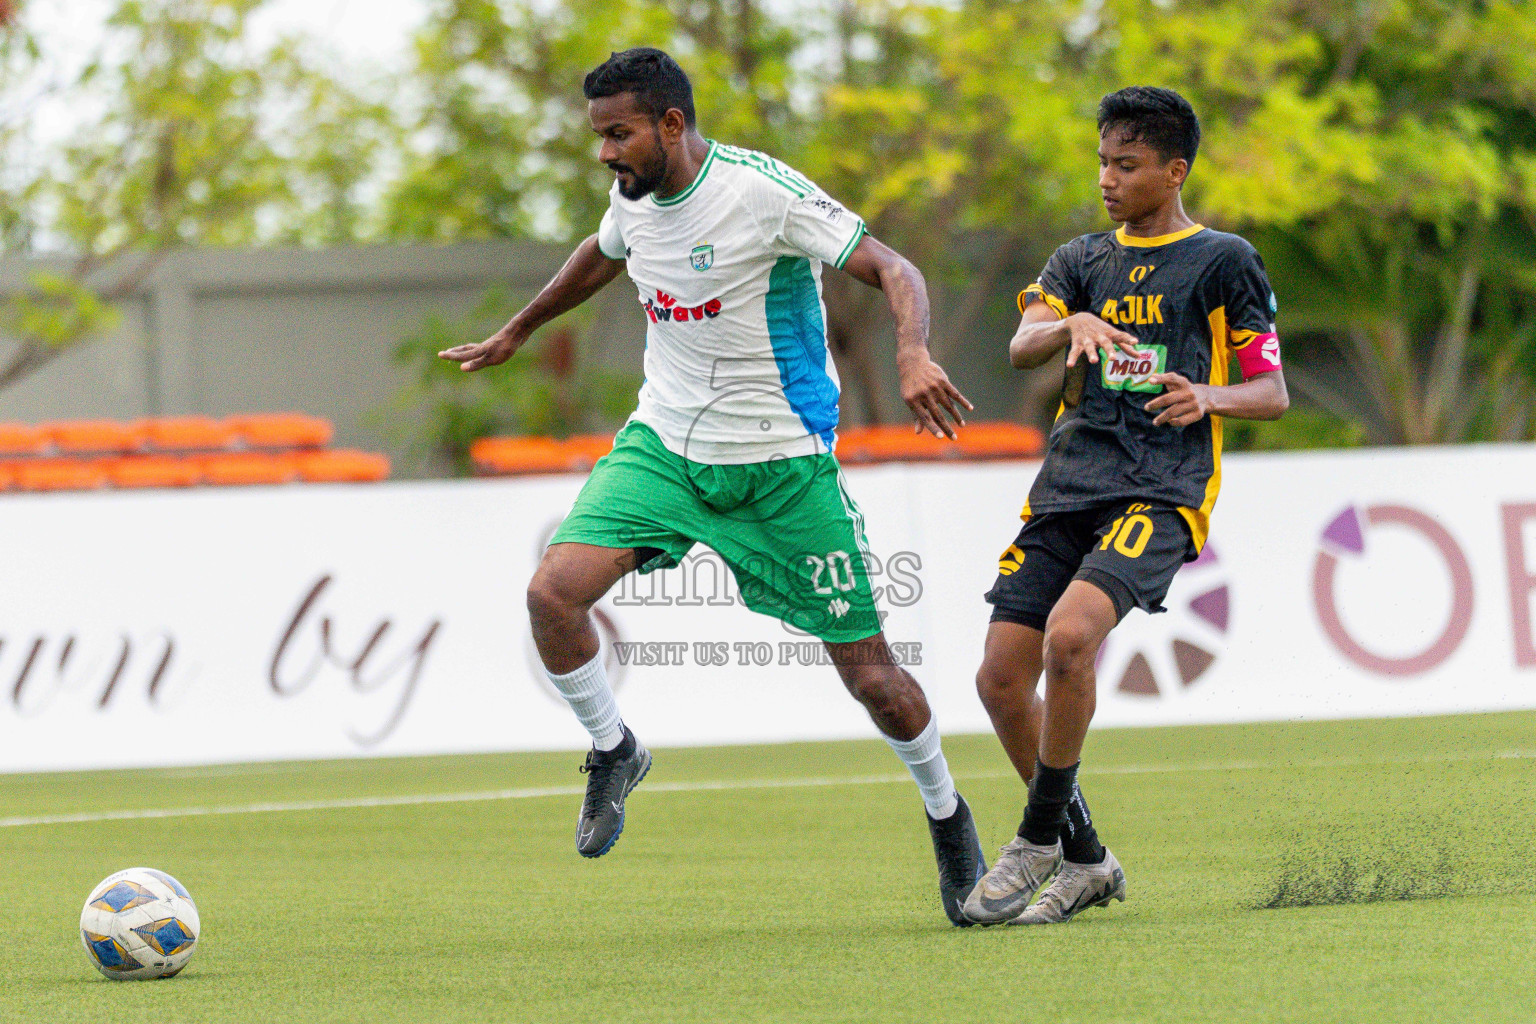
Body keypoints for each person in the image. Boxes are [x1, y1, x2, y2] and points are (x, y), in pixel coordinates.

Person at [439, 47, 987, 926]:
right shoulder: (633, 197)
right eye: (598, 138)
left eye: (619, 135)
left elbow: (894, 267)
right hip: (664, 449)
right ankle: (614, 750)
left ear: (670, 125)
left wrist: (913, 350)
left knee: (875, 680)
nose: (606, 155)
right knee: (552, 593)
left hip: (783, 467)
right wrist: (517, 329)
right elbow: (601, 252)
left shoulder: (760, 190)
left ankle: (950, 820)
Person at [962, 86, 1289, 926]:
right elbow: (1022, 342)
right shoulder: (1078, 260)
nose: (1107, 178)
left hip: (1161, 488)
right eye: (1103, 161)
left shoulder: (1224, 260)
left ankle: (1035, 838)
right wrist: (1069, 323)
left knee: (1071, 640)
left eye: (1127, 164)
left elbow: (1272, 390)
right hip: (1068, 485)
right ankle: (1085, 859)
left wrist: (1210, 397)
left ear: (1174, 171)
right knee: (1000, 680)